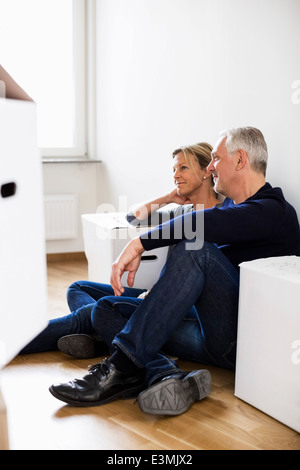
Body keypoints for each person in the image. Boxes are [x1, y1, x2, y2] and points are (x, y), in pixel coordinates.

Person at [49, 126, 300, 416]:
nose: (211, 167)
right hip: (203, 329)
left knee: (196, 248)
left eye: (216, 159)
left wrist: (140, 242)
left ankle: (121, 366)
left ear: (241, 160)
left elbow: (202, 223)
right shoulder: (233, 205)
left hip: (237, 342)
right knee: (105, 309)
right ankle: (164, 373)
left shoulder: (273, 210)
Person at [21, 142, 218, 360]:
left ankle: (15, 342)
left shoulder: (224, 214)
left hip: (175, 305)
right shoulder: (181, 211)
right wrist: (168, 198)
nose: (175, 175)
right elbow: (132, 217)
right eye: (173, 169)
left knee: (90, 312)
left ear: (206, 171)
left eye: (183, 168)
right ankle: (104, 337)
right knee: (77, 288)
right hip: (153, 294)